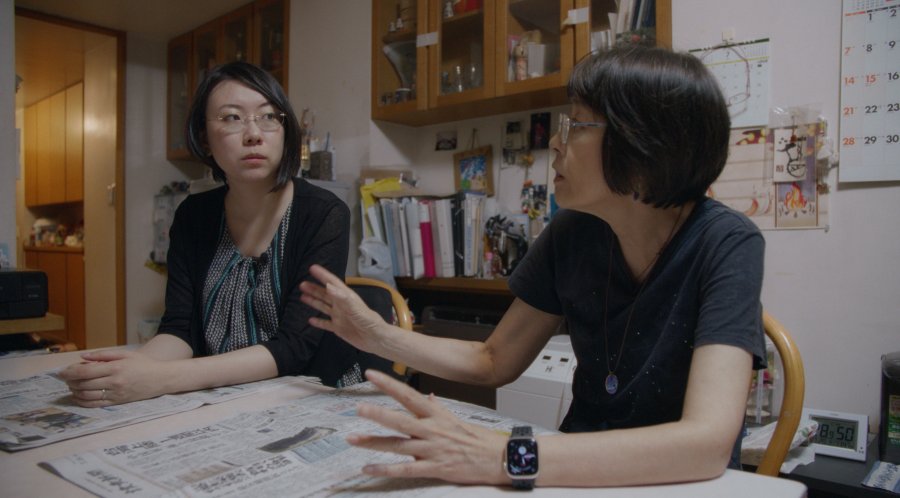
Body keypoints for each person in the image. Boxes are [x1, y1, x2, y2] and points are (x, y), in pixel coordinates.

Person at [299, 45, 766, 488]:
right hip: (575, 473)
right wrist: (374, 334)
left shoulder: (725, 242)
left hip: (680, 484)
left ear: (644, 144)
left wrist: (504, 456)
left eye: (577, 125)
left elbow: (706, 442)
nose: (556, 144)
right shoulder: (572, 233)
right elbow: (493, 360)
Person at [60, 61, 366, 407]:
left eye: (269, 116)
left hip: (314, 395)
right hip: (224, 395)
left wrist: (162, 378)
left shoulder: (324, 214)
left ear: (285, 130)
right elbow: (180, 329)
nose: (254, 134)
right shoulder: (193, 216)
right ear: (205, 138)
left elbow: (294, 346)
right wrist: (131, 369)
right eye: (232, 117)